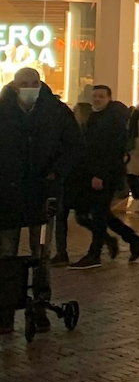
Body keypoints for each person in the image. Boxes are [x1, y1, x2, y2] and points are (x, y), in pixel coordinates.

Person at [0, 67, 84, 331]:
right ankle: (5, 308)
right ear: (14, 86)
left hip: (43, 192)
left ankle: (40, 304)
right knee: (6, 252)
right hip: (8, 194)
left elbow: (74, 146)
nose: (29, 87)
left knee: (42, 252)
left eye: (34, 82)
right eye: (24, 83)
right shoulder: (3, 111)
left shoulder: (56, 111)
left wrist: (56, 172)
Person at [69, 85, 139, 268]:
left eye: (101, 96)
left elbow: (110, 151)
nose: (97, 99)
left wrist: (99, 175)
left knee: (98, 215)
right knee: (99, 214)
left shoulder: (112, 120)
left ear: (108, 98)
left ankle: (95, 253)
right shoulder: (96, 117)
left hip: (105, 176)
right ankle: (131, 239)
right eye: (95, 96)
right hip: (95, 174)